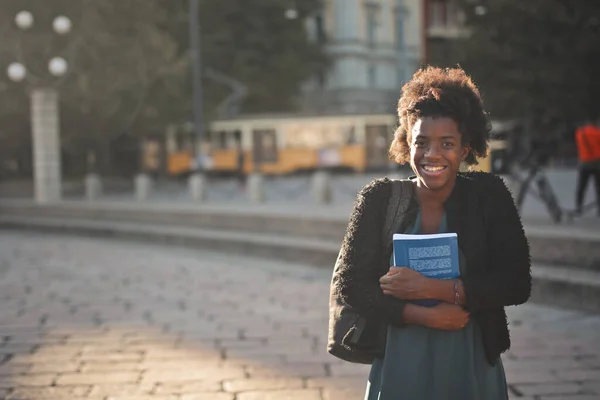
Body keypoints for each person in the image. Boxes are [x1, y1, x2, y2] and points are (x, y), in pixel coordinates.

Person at [332, 66, 531, 400]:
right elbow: (351, 285)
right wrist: (422, 314)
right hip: (399, 363)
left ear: (466, 148)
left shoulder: (489, 195)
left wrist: (433, 288)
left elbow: (516, 282)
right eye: (421, 142)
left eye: (447, 143)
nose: (432, 155)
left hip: (470, 362)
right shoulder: (378, 198)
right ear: (406, 143)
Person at [574, 117, 600, 215]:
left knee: (581, 186)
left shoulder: (580, 133)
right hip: (597, 163)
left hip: (584, 162)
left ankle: (578, 207)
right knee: (598, 187)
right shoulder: (598, 133)